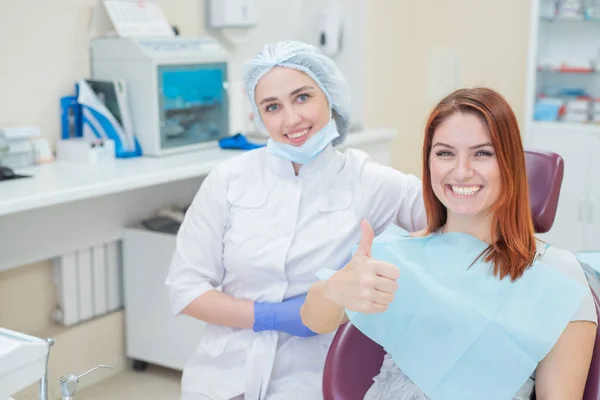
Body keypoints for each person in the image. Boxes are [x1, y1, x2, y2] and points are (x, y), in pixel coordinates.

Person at [164, 40, 427, 400]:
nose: (291, 119)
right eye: (272, 106)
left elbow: (451, 215)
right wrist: (269, 316)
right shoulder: (229, 179)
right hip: (223, 375)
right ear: (258, 116)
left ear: (329, 96)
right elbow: (185, 286)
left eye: (302, 97)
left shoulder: (369, 180)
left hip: (313, 378)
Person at [300, 87, 598, 399]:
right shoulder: (402, 256)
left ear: (509, 163)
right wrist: (334, 290)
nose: (461, 171)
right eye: (445, 153)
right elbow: (315, 319)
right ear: (428, 163)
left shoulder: (557, 275)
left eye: (482, 153)